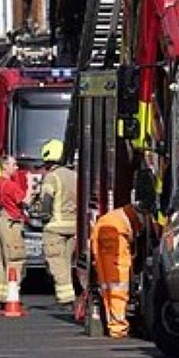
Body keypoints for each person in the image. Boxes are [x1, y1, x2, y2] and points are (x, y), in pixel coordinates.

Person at [90, 204, 146, 339]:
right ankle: (118, 327)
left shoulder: (120, 215)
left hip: (106, 228)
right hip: (114, 233)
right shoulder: (139, 218)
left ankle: (114, 323)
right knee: (118, 283)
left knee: (107, 282)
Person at [37, 139, 77, 306]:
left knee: (56, 262)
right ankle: (67, 295)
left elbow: (47, 199)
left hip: (55, 227)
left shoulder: (52, 177)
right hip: (73, 227)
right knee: (66, 263)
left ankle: (66, 298)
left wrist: (43, 215)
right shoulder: (74, 175)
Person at [0, 154, 30, 306]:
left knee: (2, 262)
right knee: (15, 260)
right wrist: (31, 188)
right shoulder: (10, 185)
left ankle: (1, 296)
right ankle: (11, 296)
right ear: (5, 166)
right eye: (14, 165)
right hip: (11, 224)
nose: (16, 167)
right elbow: (25, 201)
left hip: (0, 222)